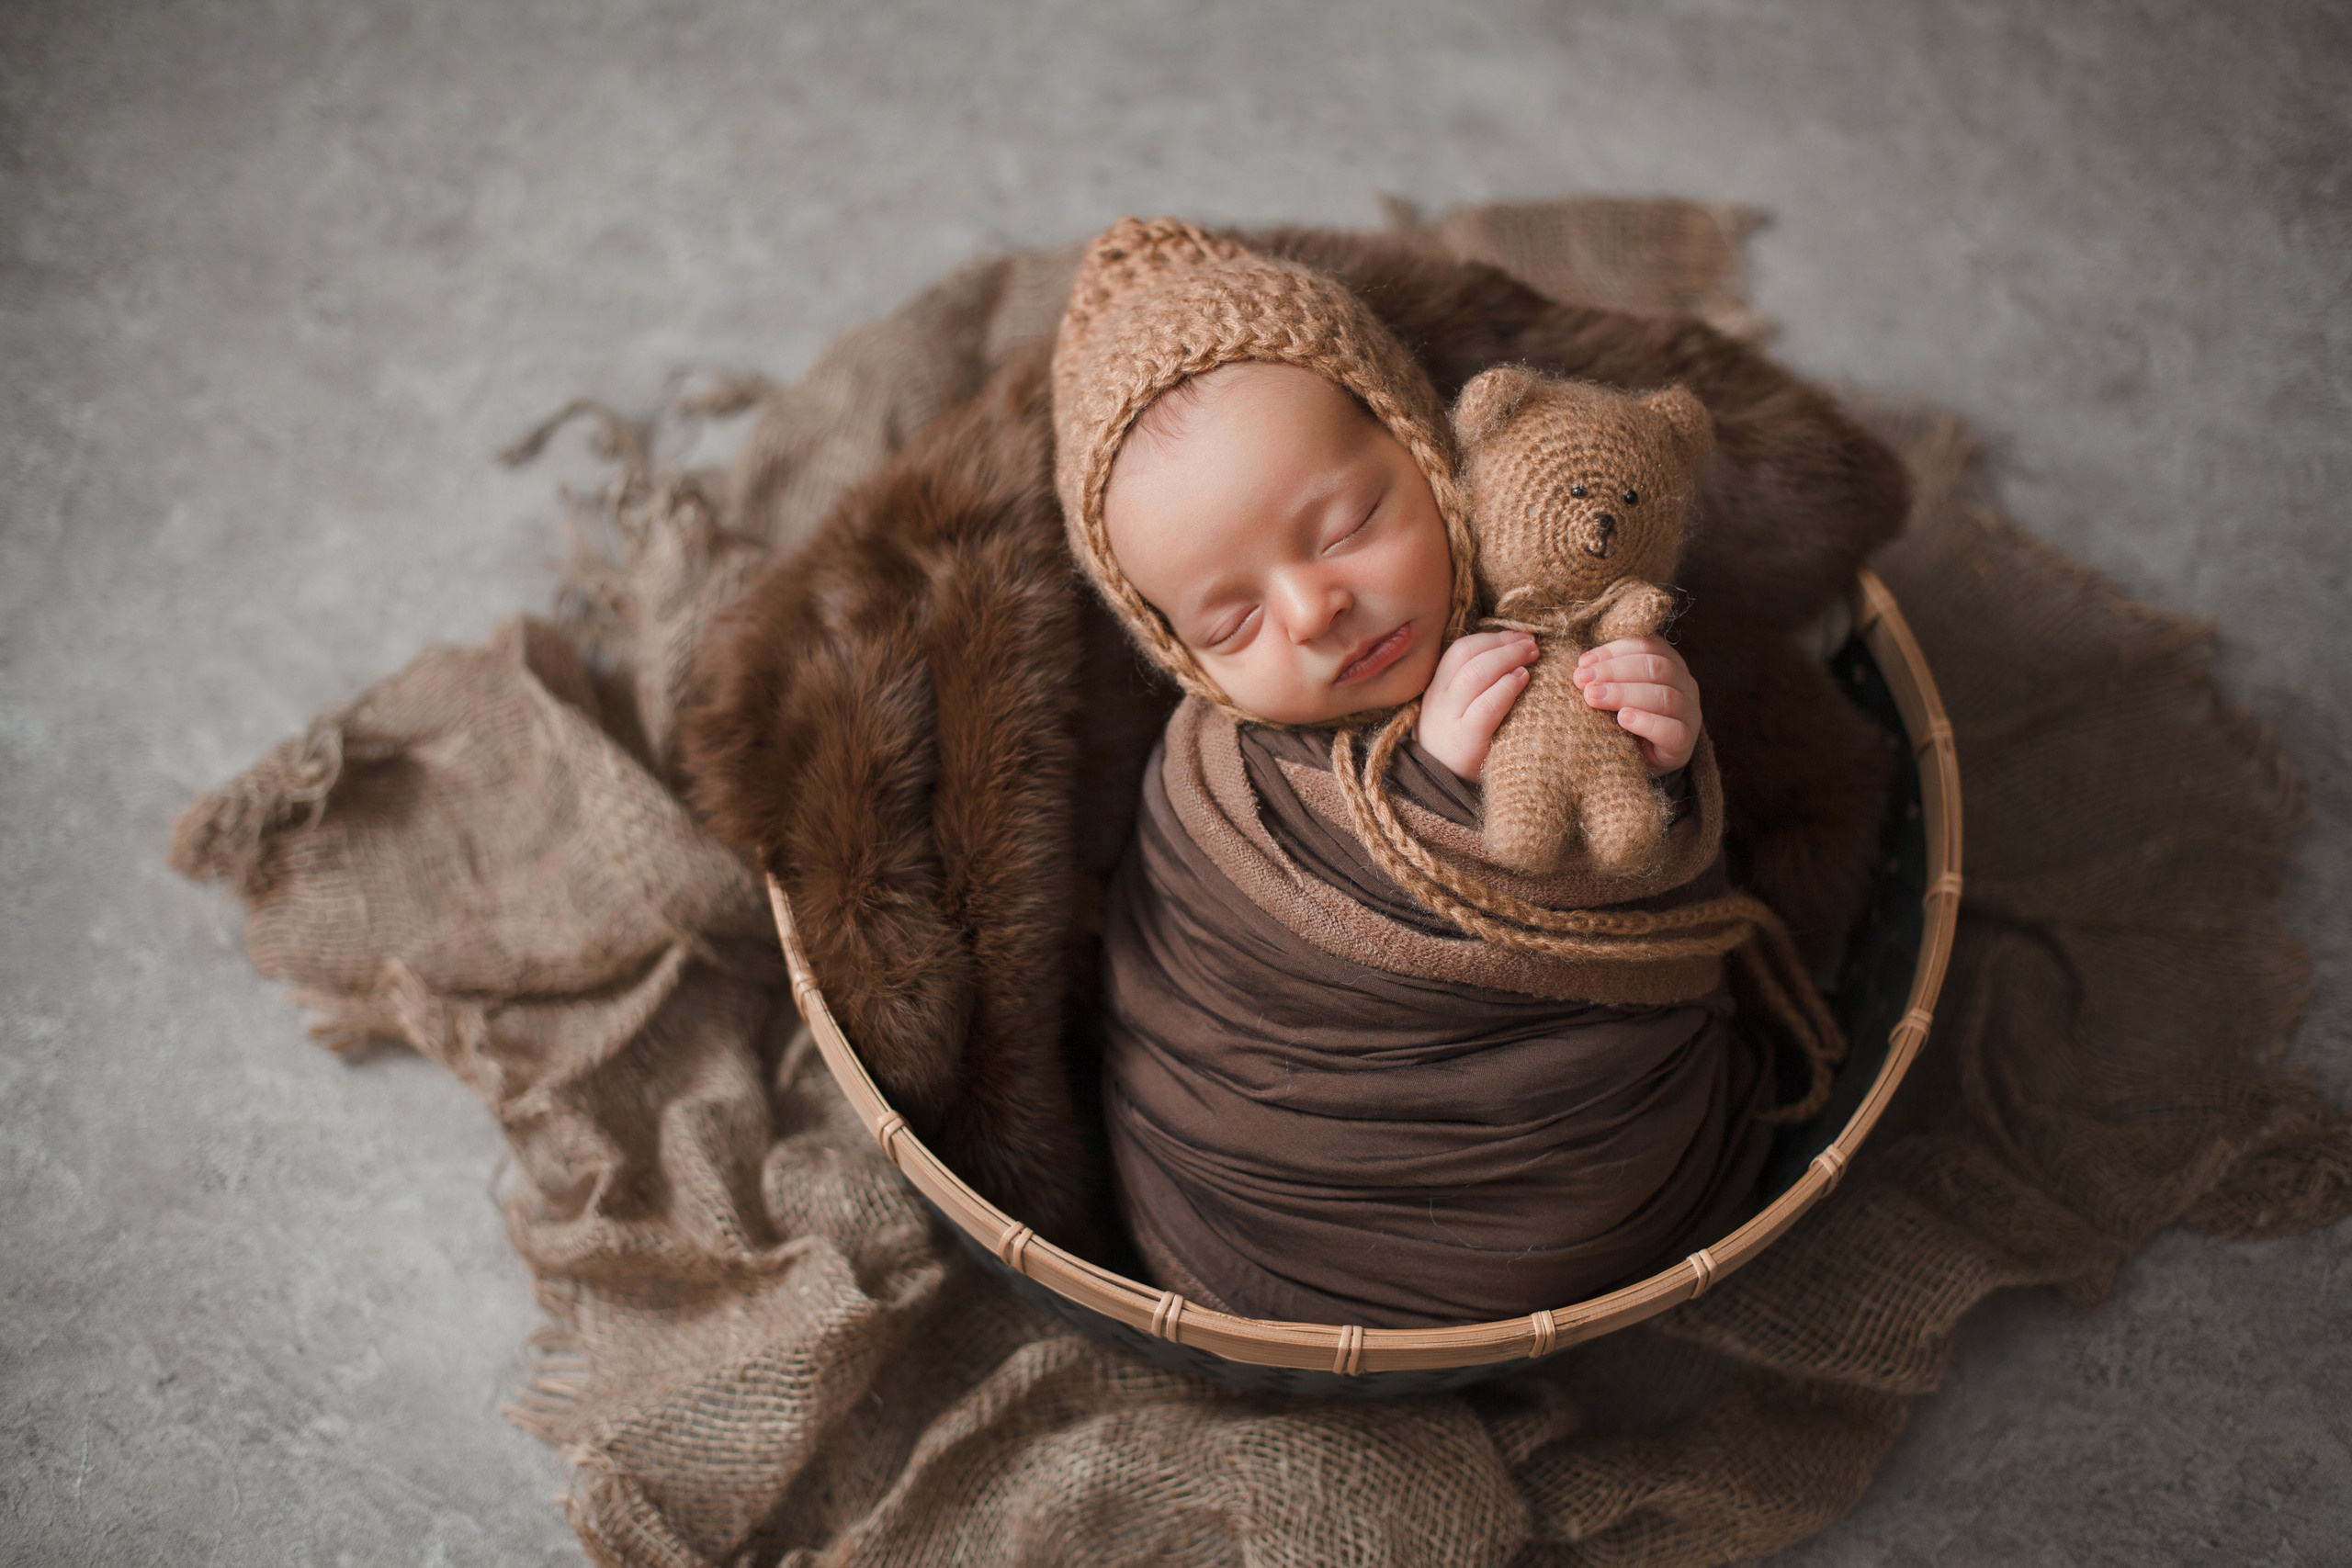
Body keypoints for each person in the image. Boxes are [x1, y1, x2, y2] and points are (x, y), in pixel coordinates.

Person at [1052, 219, 1778, 1328]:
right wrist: (1445, 787)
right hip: (1273, 1221)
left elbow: (1657, 864)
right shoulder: (1212, 786)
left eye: (1347, 527)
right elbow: (1202, 973)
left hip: (1593, 1152)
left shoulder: (1556, 601)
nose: (1312, 611)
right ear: (1175, 655)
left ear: (1426, 454)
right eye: (1233, 617)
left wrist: (1658, 739)